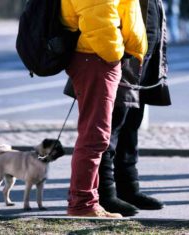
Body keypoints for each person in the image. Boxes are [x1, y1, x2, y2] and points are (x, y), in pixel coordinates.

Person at [60, 0, 147, 217]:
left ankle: (90, 202)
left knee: (96, 135)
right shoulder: (103, 54)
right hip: (96, 57)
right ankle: (82, 204)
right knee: (94, 135)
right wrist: (114, 55)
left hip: (97, 56)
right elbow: (98, 19)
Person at [97, 0, 172, 216]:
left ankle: (128, 188)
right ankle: (106, 193)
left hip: (142, 52)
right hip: (120, 53)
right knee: (111, 126)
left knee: (131, 124)